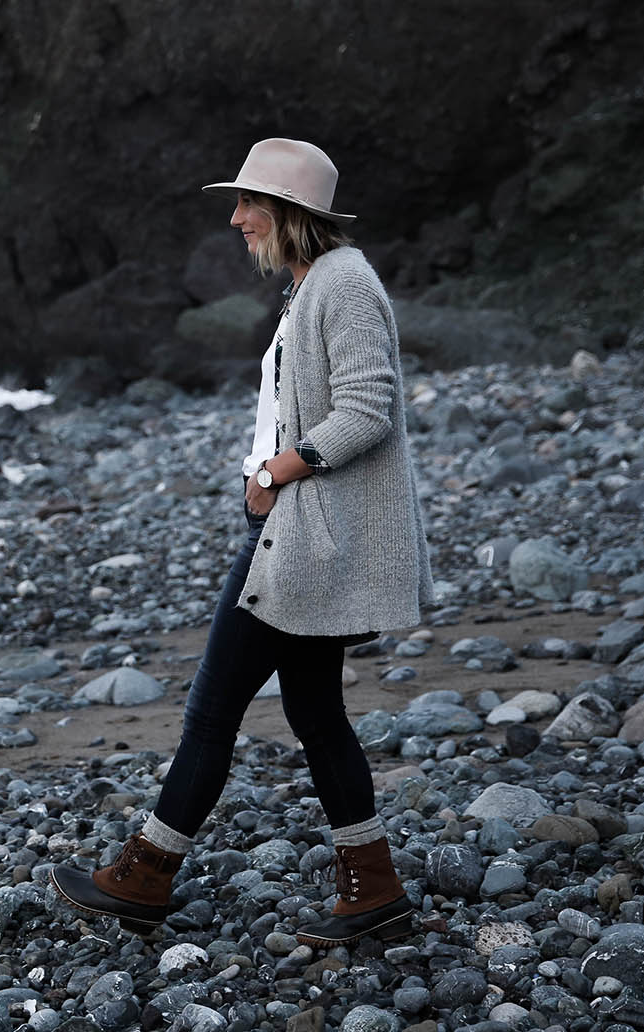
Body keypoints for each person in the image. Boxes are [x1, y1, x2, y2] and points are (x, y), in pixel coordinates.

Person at [49, 137, 432, 948]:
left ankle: (145, 876)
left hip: (303, 534)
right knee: (316, 713)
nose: (234, 219)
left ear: (288, 213)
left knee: (212, 709)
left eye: (247, 204)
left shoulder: (343, 283)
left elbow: (369, 408)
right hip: (295, 526)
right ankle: (374, 888)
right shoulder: (311, 286)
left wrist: (277, 475)